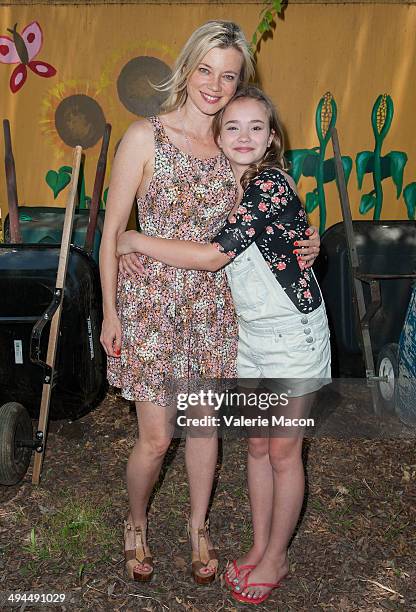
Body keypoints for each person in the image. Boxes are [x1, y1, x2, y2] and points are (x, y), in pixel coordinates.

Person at [100, 21, 320, 585]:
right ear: (186, 67)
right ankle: (136, 519)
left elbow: (270, 216)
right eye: (205, 69)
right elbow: (109, 235)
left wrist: (307, 240)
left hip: (218, 309)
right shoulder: (143, 137)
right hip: (151, 306)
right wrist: (110, 310)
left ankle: (199, 527)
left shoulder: (232, 146)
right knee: (156, 437)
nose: (215, 84)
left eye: (229, 74)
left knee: (204, 429)